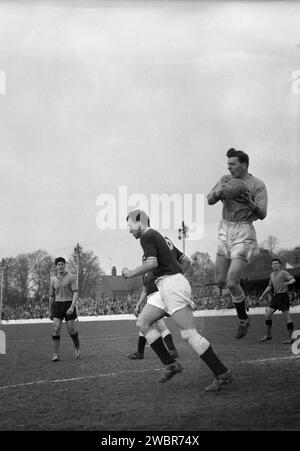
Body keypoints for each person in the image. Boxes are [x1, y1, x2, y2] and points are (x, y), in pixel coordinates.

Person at [123, 209, 232, 392]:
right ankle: (171, 365)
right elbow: (186, 261)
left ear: (140, 222)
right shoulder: (161, 237)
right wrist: (174, 276)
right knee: (143, 322)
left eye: (130, 225)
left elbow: (152, 264)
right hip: (165, 286)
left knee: (189, 334)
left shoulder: (147, 236)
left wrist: (131, 272)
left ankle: (222, 373)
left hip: (171, 285)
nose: (129, 230)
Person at [207, 148, 268, 339]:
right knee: (220, 280)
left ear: (244, 165)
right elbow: (209, 200)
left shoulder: (257, 185)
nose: (229, 167)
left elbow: (263, 213)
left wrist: (251, 205)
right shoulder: (225, 179)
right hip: (225, 229)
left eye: (233, 164)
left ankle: (243, 319)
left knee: (232, 281)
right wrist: (218, 192)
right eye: (228, 164)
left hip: (243, 232)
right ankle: (239, 296)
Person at [128, 238, 190, 360]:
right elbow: (145, 290)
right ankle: (145, 352)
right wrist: (138, 305)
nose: (144, 262)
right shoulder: (145, 275)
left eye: (146, 260)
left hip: (158, 298)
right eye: (143, 260)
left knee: (155, 325)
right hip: (151, 299)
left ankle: (168, 352)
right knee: (146, 324)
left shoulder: (156, 271)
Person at [49, 257, 80, 362]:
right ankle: (55, 354)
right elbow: (51, 296)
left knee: (71, 330)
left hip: (68, 304)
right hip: (57, 305)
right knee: (56, 328)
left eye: (62, 264)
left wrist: (72, 306)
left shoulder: (71, 277)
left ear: (65, 265)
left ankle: (77, 347)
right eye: (59, 264)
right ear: (56, 266)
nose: (61, 266)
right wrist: (50, 310)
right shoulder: (52, 279)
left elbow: (76, 292)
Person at [258, 258, 296, 344]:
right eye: (273, 264)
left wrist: (288, 283)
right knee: (267, 315)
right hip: (276, 297)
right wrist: (262, 295)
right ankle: (268, 336)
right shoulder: (271, 274)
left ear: (280, 265)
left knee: (287, 318)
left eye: (276, 263)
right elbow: (270, 286)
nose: (274, 265)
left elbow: (293, 279)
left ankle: (291, 338)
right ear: (272, 266)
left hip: (283, 297)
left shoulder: (283, 273)